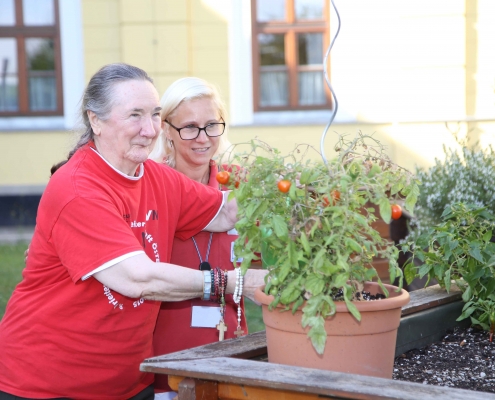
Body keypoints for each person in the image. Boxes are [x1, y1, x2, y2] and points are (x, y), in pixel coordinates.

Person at [0, 63, 266, 400]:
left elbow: (225, 211)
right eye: (135, 115)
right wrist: (236, 282)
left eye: (154, 114)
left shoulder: (156, 177)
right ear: (95, 120)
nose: (150, 129)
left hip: (128, 382)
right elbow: (137, 279)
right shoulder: (78, 187)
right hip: (47, 382)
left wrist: (297, 192)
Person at [148, 77, 246, 397]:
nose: (202, 138)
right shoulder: (147, 189)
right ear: (166, 130)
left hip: (233, 359)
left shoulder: (241, 187)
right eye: (189, 127)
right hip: (166, 368)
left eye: (211, 125)